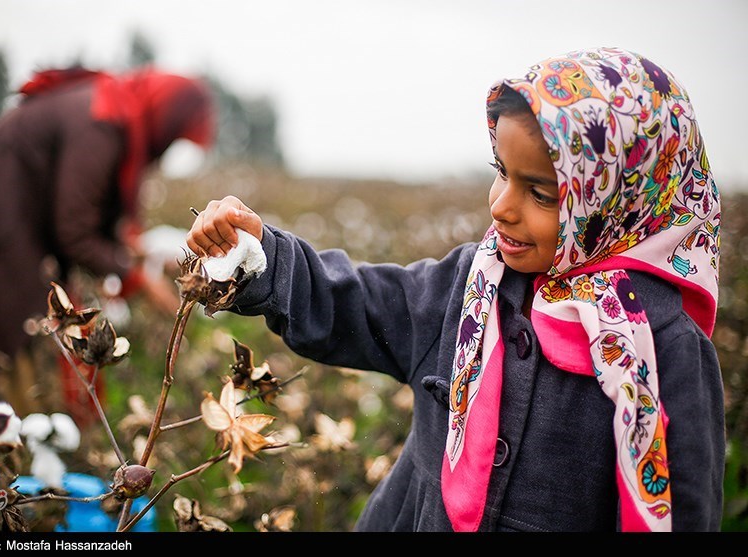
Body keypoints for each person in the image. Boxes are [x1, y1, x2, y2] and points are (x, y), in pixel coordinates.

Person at [186, 46, 724, 531]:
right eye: (501, 172)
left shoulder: (665, 350)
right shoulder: (471, 286)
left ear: (620, 201)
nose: (500, 205)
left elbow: (686, 509)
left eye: (538, 192)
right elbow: (357, 302)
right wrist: (264, 257)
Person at [0, 66, 216, 414]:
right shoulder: (101, 123)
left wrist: (130, 254)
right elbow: (74, 231)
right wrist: (138, 279)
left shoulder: (112, 109)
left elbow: (81, 210)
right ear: (166, 119)